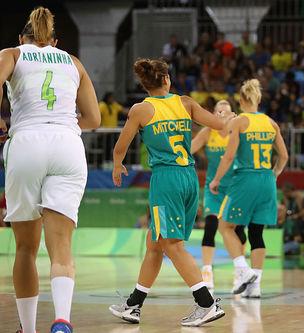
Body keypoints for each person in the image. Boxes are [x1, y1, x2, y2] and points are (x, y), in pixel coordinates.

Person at [0, 7, 101, 333]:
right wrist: (65, 125)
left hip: (27, 142)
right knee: (61, 249)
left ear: (22, 37)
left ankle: (28, 330)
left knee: (26, 248)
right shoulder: (73, 62)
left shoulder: (12, 53)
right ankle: (61, 321)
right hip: (67, 144)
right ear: (55, 40)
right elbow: (95, 120)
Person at [110, 58, 226, 326]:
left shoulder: (141, 109)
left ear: (145, 84)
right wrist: (226, 117)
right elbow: (218, 125)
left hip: (166, 180)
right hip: (188, 177)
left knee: (171, 245)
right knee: (155, 244)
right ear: (166, 80)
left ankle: (206, 303)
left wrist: (118, 165)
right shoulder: (185, 103)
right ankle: (133, 304)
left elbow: (120, 146)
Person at [209, 79, 288, 298]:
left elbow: (230, 155)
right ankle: (255, 286)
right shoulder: (271, 123)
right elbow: (284, 155)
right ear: (258, 99)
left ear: (241, 100)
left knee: (225, 226)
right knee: (256, 232)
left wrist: (215, 180)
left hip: (245, 178)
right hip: (266, 180)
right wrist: (274, 174)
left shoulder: (240, 122)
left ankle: (242, 269)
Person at [191, 100, 247, 291]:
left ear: (233, 114)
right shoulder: (208, 132)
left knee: (238, 230)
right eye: (218, 110)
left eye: (226, 110)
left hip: (235, 186)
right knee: (211, 225)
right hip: (213, 187)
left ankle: (240, 272)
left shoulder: (237, 130)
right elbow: (189, 149)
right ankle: (207, 271)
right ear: (213, 114)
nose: (222, 112)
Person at [281, 182, 304, 255]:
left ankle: (296, 240)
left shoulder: (301, 197)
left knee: (293, 221)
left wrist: (297, 215)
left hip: (301, 220)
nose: (284, 195)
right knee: (283, 222)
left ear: (290, 191)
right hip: (289, 219)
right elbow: (283, 210)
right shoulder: (285, 199)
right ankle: (287, 243)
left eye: (285, 193)